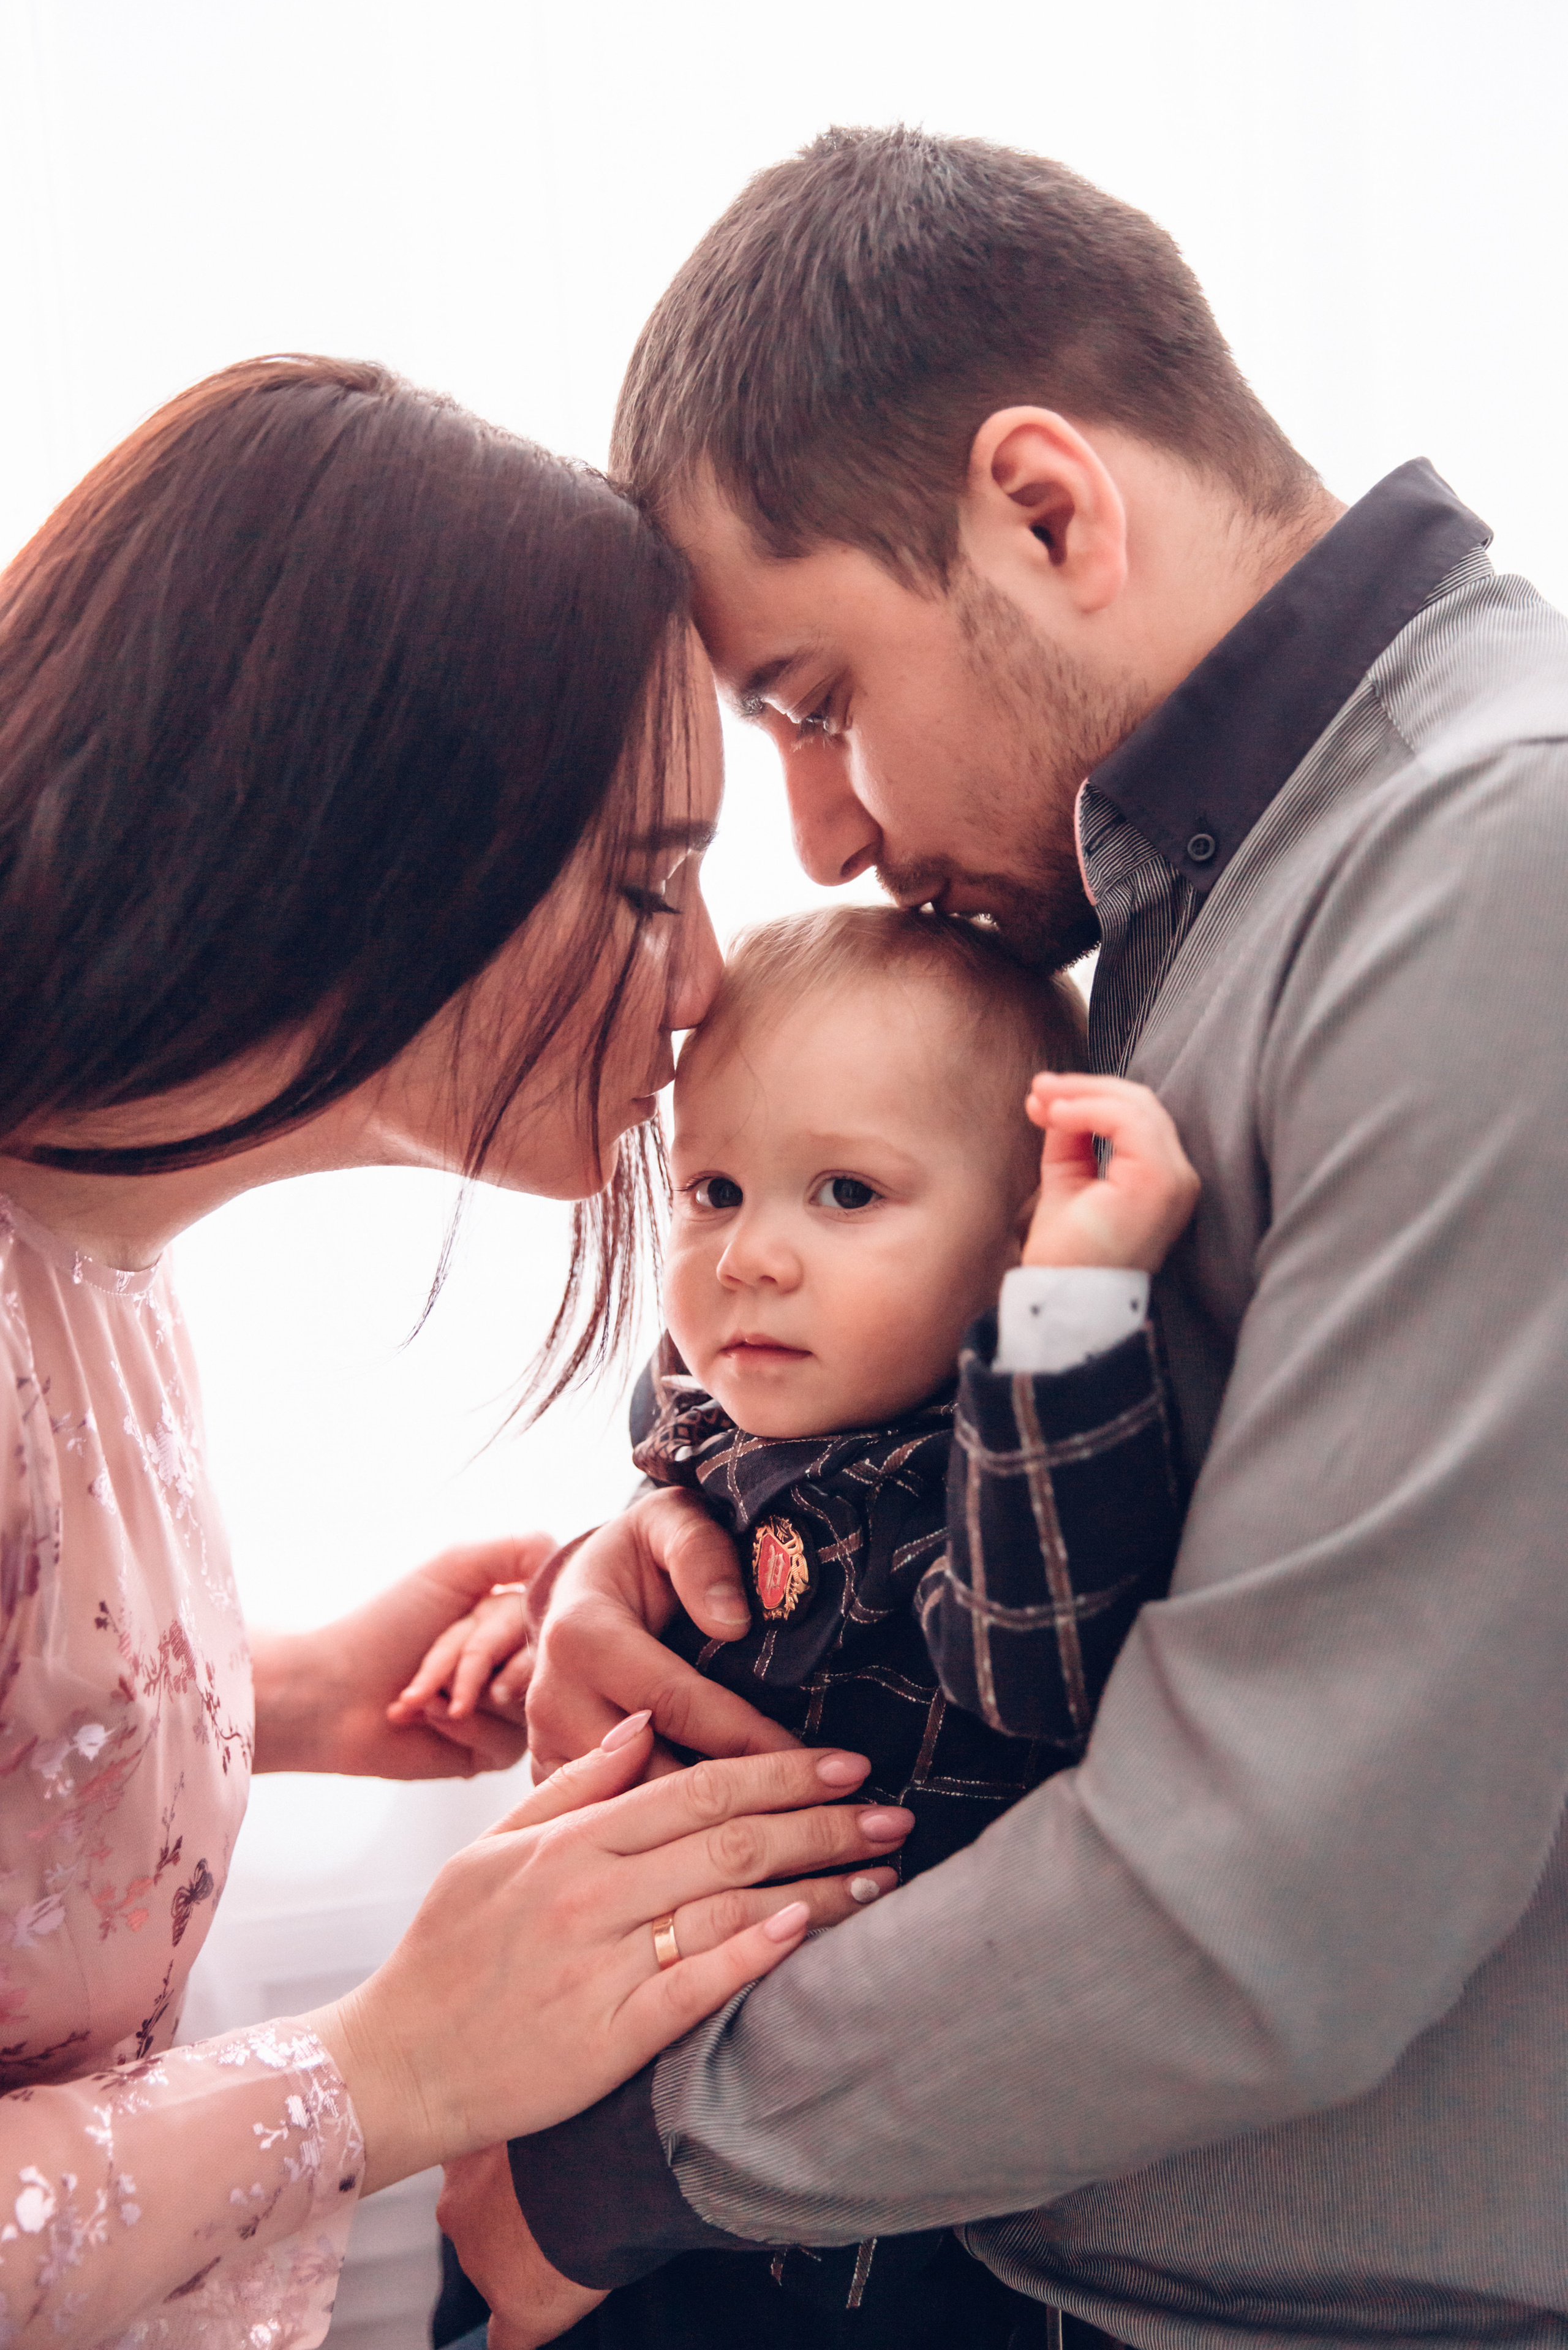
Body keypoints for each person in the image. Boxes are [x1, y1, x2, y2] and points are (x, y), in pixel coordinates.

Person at [442, 126, 1568, 2348]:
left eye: (815, 704)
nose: (823, 836)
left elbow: (1279, 1898)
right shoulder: (1174, 899)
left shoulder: (1494, 872)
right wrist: (701, 1554)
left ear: (1047, 511)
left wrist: (613, 2162)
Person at [0, 353, 919, 2350]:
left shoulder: (90, 1257)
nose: (704, 984)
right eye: (646, 883)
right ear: (349, 838)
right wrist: (394, 2068)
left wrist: (292, 1693)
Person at [408, 904, 1196, 2345]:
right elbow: (670, 1529)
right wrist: (547, 1610)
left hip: (835, 2211)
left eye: (844, 1192)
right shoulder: (719, 1408)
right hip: (614, 2088)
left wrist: (1073, 1312)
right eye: (713, 1189)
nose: (748, 1257)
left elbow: (1036, 1659)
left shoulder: (988, 1473)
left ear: (1021, 1240)